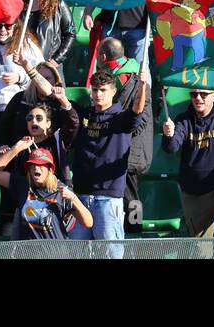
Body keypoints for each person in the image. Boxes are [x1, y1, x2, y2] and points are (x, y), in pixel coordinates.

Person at [58, 64, 150, 241]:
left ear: (113, 91)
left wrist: (142, 85)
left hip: (108, 198)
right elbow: (60, 100)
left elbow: (137, 109)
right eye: (94, 90)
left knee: (110, 253)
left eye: (103, 90)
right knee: (77, 253)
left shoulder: (121, 118)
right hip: (81, 196)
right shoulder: (84, 114)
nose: (98, 94)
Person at [0, 143, 91, 239]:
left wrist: (73, 198)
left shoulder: (61, 191)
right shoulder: (23, 185)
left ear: (50, 169)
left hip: (56, 253)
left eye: (41, 165)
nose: (36, 168)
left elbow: (88, 223)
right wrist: (16, 148)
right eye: (32, 165)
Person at [0, 22, 44, 147]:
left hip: (17, 106)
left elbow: (42, 75)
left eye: (8, 26)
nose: (3, 30)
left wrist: (20, 77)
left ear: (15, 25)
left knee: (18, 150)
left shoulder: (26, 44)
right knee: (1, 151)